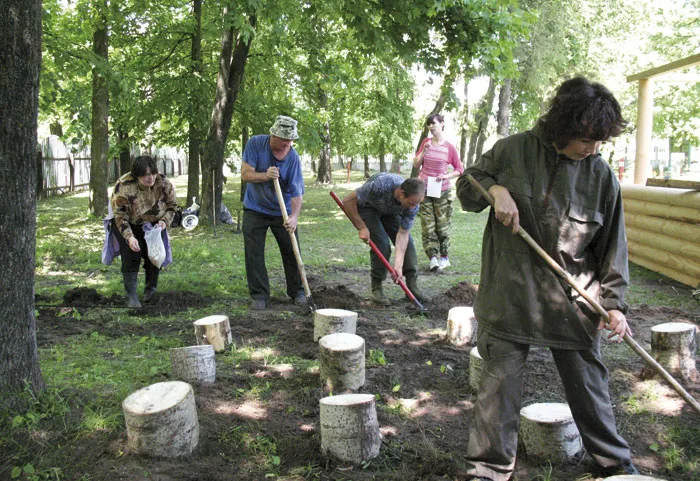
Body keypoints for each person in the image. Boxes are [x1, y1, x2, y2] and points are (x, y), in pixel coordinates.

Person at [455, 77, 638, 481]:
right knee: (497, 389)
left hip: (573, 301)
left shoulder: (601, 176)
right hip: (509, 292)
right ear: (563, 127)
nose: (593, 149)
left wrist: (613, 305)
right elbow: (466, 188)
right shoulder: (512, 150)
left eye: (599, 142)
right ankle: (487, 469)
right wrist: (495, 188)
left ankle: (614, 463)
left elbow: (613, 247)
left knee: (589, 385)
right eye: (587, 139)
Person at [241, 115, 306, 310]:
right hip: (255, 208)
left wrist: (294, 217)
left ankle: (298, 291)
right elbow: (245, 175)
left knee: (292, 250)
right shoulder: (255, 144)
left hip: (282, 211)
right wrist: (265, 175)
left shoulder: (293, 158)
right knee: (254, 253)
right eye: (284, 140)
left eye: (291, 140)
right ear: (273, 135)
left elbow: (297, 193)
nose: (288, 144)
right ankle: (259, 295)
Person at [342, 173, 428, 306]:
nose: (413, 207)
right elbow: (347, 201)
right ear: (401, 193)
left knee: (409, 245)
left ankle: (412, 287)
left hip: (391, 212)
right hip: (368, 208)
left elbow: (403, 234)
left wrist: (398, 265)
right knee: (382, 244)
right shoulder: (380, 186)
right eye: (411, 203)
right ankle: (377, 289)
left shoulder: (412, 204)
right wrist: (361, 227)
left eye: (416, 204)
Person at [111, 155, 178, 307]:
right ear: (137, 175)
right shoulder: (124, 185)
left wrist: (164, 221)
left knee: (154, 256)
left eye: (152, 173)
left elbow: (172, 206)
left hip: (154, 225)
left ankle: (150, 291)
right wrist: (129, 237)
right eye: (145, 175)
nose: (150, 178)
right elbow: (120, 216)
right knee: (131, 256)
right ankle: (132, 297)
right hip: (129, 224)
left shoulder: (163, 183)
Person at [413, 113, 464, 272]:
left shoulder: (449, 147)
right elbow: (416, 164)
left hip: (441, 191)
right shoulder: (426, 143)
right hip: (425, 190)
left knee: (442, 226)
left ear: (442, 124)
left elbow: (459, 170)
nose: (430, 127)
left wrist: (445, 176)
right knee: (427, 226)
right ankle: (433, 258)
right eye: (428, 124)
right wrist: (424, 152)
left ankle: (444, 257)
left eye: (433, 123)